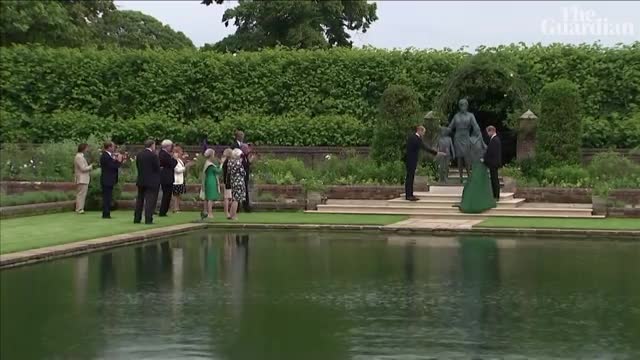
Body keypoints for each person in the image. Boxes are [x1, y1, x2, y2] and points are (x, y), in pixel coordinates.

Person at [405, 125, 443, 201]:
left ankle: (409, 194)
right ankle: (409, 195)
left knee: (410, 177)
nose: (424, 134)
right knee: (410, 177)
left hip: (410, 160)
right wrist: (436, 153)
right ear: (419, 131)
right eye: (423, 132)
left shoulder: (412, 137)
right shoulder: (415, 139)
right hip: (411, 160)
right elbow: (425, 147)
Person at [448, 98, 482, 181]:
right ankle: (460, 177)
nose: (462, 107)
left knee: (467, 157)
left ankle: (469, 175)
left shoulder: (470, 115)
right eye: (461, 105)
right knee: (459, 157)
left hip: (466, 136)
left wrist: (478, 133)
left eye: (464, 105)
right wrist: (443, 131)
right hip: (458, 137)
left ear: (467, 106)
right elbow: (450, 127)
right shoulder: (456, 116)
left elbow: (475, 126)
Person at [134, 139, 160, 224]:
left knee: (140, 200)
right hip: (151, 181)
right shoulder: (153, 155)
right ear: (152, 145)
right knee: (150, 201)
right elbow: (157, 168)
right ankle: (148, 219)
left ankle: (137, 218)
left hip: (141, 180)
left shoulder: (139, 155)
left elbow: (137, 165)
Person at [99, 141, 122, 219]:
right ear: (109, 147)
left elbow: (112, 164)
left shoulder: (108, 156)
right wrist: (118, 161)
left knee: (108, 197)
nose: (114, 148)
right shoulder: (105, 156)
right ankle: (106, 214)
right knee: (107, 198)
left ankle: (107, 213)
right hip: (107, 180)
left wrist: (116, 160)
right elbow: (112, 167)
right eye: (113, 147)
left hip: (109, 180)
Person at [158, 139, 178, 217]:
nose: (171, 148)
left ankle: (164, 211)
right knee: (166, 195)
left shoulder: (164, 153)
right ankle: (162, 211)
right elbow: (171, 165)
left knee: (168, 195)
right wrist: (175, 159)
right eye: (171, 146)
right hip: (166, 177)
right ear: (167, 146)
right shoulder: (163, 154)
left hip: (167, 177)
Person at [201, 148, 222, 219]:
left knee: (207, 198)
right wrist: (222, 164)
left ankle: (205, 212)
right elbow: (218, 171)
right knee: (210, 198)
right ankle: (210, 213)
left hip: (208, 180)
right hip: (211, 181)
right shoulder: (210, 165)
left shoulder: (207, 163)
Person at [482, 125, 502, 200]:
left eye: (488, 132)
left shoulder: (495, 140)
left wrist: (484, 160)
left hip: (493, 163)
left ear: (492, 131)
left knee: (494, 179)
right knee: (494, 179)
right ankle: (495, 195)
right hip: (494, 162)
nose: (487, 134)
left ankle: (496, 195)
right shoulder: (495, 139)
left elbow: (491, 152)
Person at [74, 143, 93, 214]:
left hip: (83, 178)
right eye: (87, 148)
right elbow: (82, 168)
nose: (87, 150)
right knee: (81, 194)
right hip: (82, 178)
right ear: (83, 148)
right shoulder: (79, 157)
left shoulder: (81, 156)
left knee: (82, 194)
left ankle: (80, 208)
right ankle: (79, 209)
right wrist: (90, 167)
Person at [228, 149, 246, 220]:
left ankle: (231, 214)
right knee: (236, 199)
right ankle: (234, 215)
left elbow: (229, 171)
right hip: (238, 182)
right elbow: (243, 173)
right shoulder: (238, 163)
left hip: (233, 181)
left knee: (234, 198)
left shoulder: (230, 162)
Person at [171, 145, 190, 213]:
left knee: (178, 195)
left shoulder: (179, 160)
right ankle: (175, 208)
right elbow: (177, 170)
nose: (182, 153)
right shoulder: (174, 160)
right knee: (175, 195)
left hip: (180, 180)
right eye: (180, 151)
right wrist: (185, 167)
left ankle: (178, 208)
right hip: (176, 180)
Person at [221, 148, 233, 218]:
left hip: (229, 181)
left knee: (229, 197)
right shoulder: (227, 162)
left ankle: (229, 212)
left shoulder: (227, 161)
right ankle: (226, 212)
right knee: (227, 197)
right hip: (228, 181)